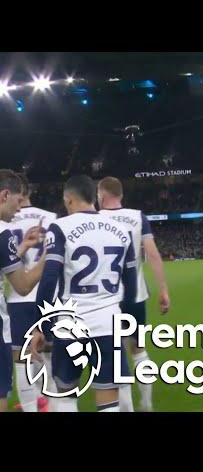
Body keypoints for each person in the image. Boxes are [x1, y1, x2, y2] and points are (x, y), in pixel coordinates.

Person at [30, 175, 137, 412]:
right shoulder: (122, 230)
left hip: (70, 324)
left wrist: (41, 327)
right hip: (109, 324)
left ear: (68, 200)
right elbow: (131, 287)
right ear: (94, 198)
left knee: (66, 397)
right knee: (108, 398)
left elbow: (48, 280)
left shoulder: (60, 227)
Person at [97, 176, 170, 412]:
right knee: (139, 350)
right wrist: (164, 290)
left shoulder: (94, 219)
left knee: (114, 353)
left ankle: (125, 406)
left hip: (107, 298)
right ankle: (146, 403)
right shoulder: (138, 216)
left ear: (101, 195)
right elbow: (153, 254)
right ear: (121, 195)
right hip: (136, 294)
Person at [6, 173, 57, 412]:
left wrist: (23, 247)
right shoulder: (51, 218)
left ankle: (30, 403)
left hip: (17, 300)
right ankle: (52, 403)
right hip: (47, 293)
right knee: (47, 351)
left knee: (21, 358)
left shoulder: (8, 222)